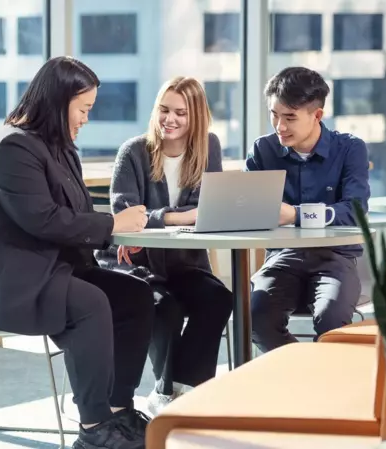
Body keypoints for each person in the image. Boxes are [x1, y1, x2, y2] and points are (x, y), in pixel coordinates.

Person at [0, 56, 154, 449]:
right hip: (4, 280)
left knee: (135, 295)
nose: (85, 119)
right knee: (91, 303)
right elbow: (42, 220)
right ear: (59, 103)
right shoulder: (13, 147)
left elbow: (72, 214)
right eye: (83, 109)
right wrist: (113, 225)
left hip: (43, 266)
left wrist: (118, 231)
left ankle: (116, 410)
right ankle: (94, 428)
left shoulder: (59, 148)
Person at [96, 76, 233, 416]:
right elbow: (126, 214)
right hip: (139, 264)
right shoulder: (134, 151)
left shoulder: (208, 147)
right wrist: (179, 217)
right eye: (164, 110)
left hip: (186, 262)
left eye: (180, 113)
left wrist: (161, 215)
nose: (169, 120)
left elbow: (208, 208)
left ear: (196, 117)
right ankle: (167, 391)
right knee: (164, 307)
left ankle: (181, 394)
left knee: (218, 298)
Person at [245, 66, 371, 352]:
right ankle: (301, 371)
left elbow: (355, 211)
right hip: (283, 258)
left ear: (317, 115)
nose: (280, 126)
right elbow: (246, 208)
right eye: (274, 115)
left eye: (289, 117)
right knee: (254, 319)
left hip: (336, 258)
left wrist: (296, 214)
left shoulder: (350, 149)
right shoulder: (263, 150)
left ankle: (325, 386)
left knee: (332, 320)